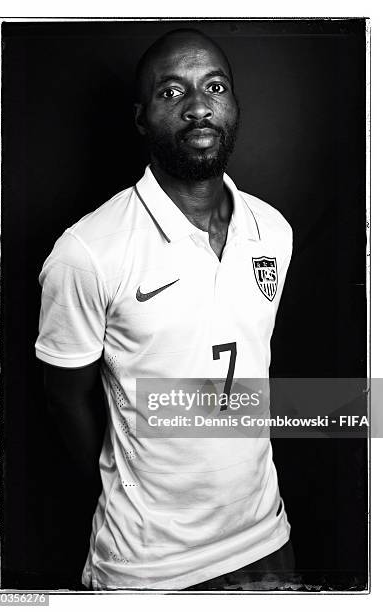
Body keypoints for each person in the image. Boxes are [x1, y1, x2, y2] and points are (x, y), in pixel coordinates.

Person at [35, 28, 294, 591]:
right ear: (141, 119)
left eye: (214, 87)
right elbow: (66, 401)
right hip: (149, 567)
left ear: (233, 103)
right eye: (172, 93)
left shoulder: (273, 230)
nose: (199, 106)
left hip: (267, 543)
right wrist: (135, 484)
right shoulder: (87, 252)